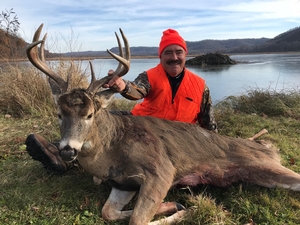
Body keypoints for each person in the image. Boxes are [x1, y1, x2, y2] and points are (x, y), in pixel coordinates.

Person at [25, 28, 218, 173]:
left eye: (179, 52)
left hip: (176, 136)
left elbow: (209, 123)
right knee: (97, 119)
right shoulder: (150, 76)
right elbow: (137, 91)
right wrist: (122, 86)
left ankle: (66, 157)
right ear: (161, 56)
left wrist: (215, 145)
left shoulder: (200, 85)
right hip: (140, 124)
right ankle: (64, 150)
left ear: (185, 55)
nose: (174, 57)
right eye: (168, 52)